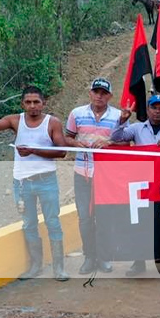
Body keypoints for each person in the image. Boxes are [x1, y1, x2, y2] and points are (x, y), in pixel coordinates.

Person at [0, 84, 69, 281]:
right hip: (22, 182)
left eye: (36, 102)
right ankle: (35, 266)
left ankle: (59, 268)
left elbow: (62, 151)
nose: (32, 106)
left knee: (53, 222)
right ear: (22, 104)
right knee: (29, 224)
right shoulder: (15, 120)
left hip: (46, 180)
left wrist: (33, 150)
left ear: (44, 103)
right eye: (28, 102)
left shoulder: (52, 122)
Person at [111, 94, 160, 277]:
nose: (158, 111)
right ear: (148, 110)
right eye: (154, 107)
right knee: (142, 223)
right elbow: (116, 137)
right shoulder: (137, 129)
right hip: (144, 184)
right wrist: (122, 120)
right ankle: (139, 263)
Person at [64, 78, 121, 275]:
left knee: (105, 218)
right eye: (96, 91)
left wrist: (109, 143)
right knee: (85, 218)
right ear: (90, 93)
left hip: (107, 176)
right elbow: (67, 137)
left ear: (110, 96)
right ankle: (89, 256)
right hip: (82, 173)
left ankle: (104, 257)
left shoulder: (118, 116)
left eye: (104, 93)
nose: (99, 96)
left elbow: (127, 142)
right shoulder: (77, 114)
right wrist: (75, 144)